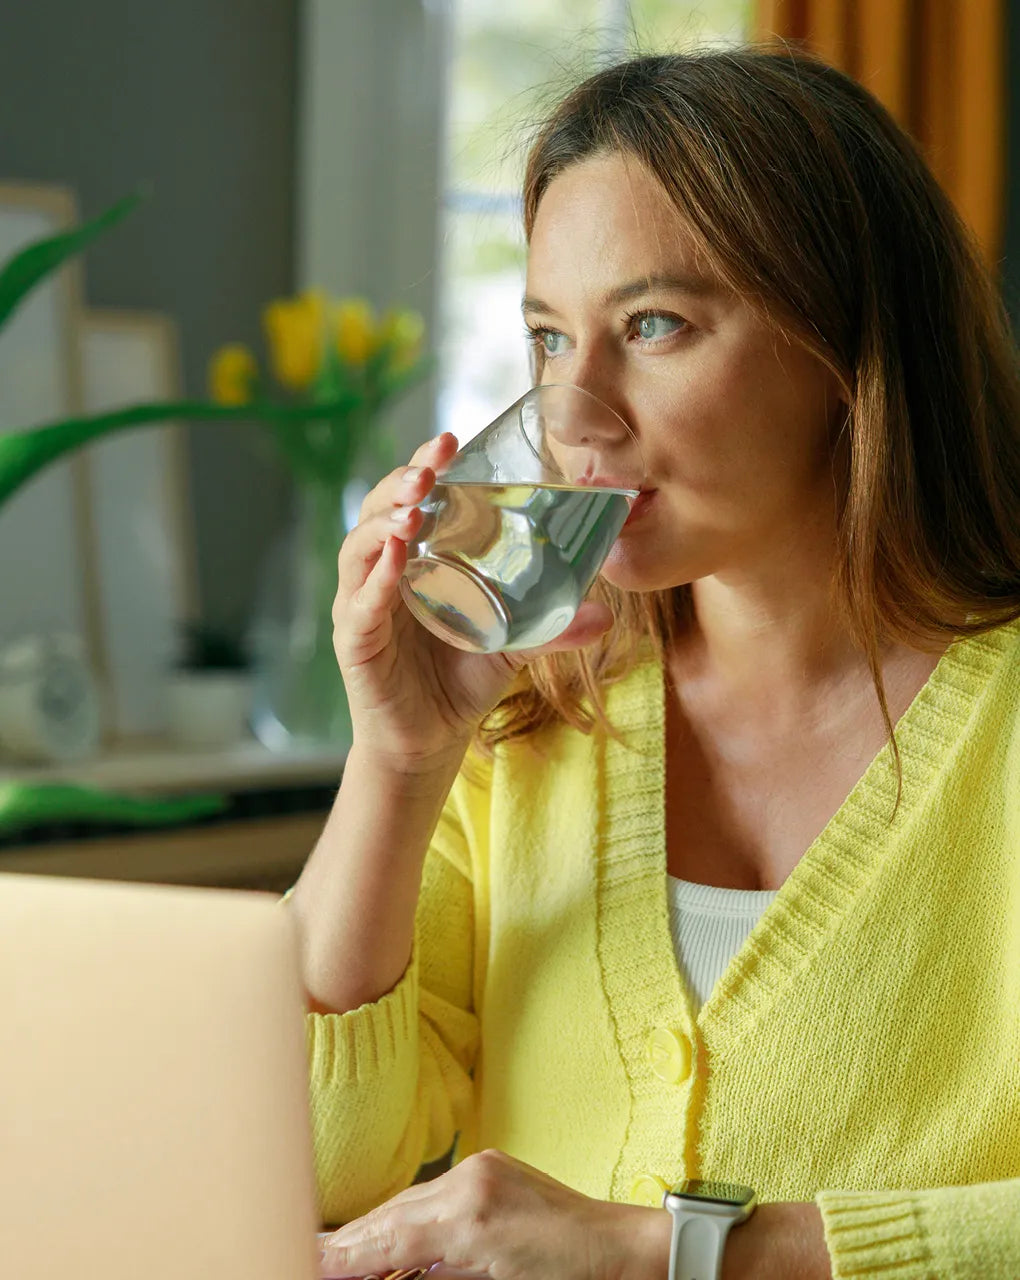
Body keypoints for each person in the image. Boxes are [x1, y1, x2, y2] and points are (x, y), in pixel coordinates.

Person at [287, 45, 1020, 1280]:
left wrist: (681, 1252)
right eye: (551, 341)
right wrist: (400, 758)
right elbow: (302, 1168)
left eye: (655, 324)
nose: (579, 416)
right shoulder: (522, 717)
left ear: (849, 348)